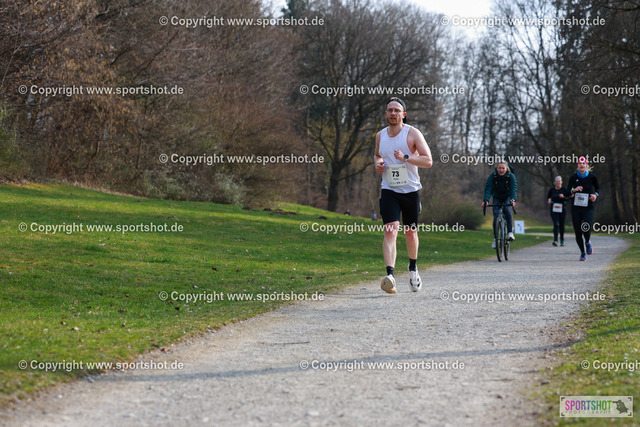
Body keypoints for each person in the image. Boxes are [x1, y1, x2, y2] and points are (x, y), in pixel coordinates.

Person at [374, 97, 433, 294]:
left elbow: (428, 161)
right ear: (386, 113)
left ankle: (413, 268)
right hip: (389, 189)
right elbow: (377, 155)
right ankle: (390, 276)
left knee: (410, 232)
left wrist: (406, 157)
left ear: (403, 114)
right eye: (390, 110)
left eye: (397, 110)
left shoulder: (412, 133)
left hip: (410, 191)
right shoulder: (380, 136)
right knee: (390, 230)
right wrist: (378, 164)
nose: (393, 113)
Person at [568, 156, 599, 261]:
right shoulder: (573, 178)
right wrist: (574, 190)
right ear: (577, 166)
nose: (581, 165)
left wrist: (595, 195)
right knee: (577, 231)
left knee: (586, 226)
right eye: (580, 163)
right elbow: (568, 191)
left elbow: (597, 188)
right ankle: (582, 252)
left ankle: (587, 241)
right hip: (576, 208)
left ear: (586, 165)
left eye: (583, 163)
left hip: (588, 207)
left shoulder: (592, 177)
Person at [482, 161, 517, 248]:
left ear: (506, 168)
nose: (501, 170)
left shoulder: (511, 176)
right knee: (496, 217)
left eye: (503, 168)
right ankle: (496, 239)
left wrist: (513, 200)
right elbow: (488, 188)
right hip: (497, 197)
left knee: (507, 211)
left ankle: (510, 233)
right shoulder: (493, 176)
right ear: (496, 168)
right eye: (499, 168)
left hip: (507, 197)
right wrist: (486, 200)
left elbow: (513, 189)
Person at [547, 176, 571, 246]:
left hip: (562, 209)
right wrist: (549, 199)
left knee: (561, 225)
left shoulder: (564, 190)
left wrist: (563, 197)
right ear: (555, 182)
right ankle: (555, 240)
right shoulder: (552, 190)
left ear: (561, 182)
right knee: (556, 224)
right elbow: (548, 196)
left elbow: (568, 198)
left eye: (559, 181)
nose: (558, 183)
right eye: (557, 181)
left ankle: (562, 240)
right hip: (554, 209)